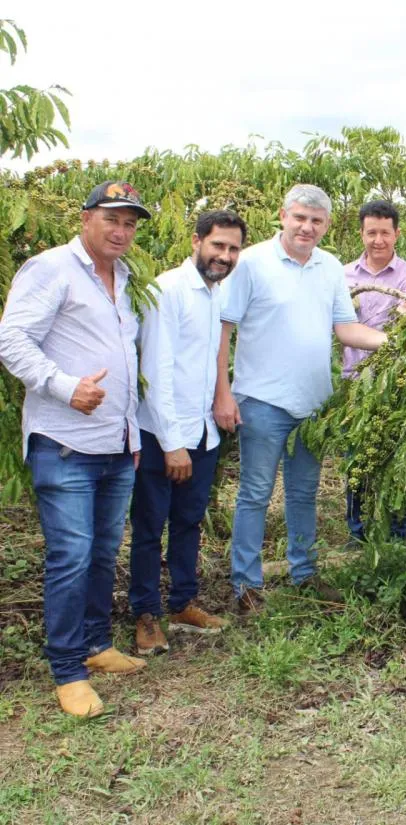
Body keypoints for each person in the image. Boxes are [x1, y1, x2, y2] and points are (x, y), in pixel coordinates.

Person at [0, 181, 151, 717]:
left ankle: (95, 645)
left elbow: (125, 359)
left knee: (103, 552)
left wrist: (131, 433)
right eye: (112, 219)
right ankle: (66, 669)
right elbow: (12, 340)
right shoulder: (50, 269)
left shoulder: (126, 277)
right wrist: (66, 386)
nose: (121, 231)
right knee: (71, 556)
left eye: (130, 223)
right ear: (85, 218)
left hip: (117, 444)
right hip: (65, 443)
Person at [214, 184, 387, 613]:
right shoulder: (251, 262)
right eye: (300, 218)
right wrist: (222, 393)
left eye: (316, 221)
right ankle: (246, 586)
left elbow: (346, 330)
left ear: (327, 225)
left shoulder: (330, 268)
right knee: (254, 493)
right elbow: (223, 330)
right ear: (283, 216)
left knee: (303, 492)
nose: (307, 227)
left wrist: (400, 343)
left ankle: (303, 572)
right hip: (261, 400)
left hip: (313, 403)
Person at [129, 210, 247, 656]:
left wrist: (220, 401)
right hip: (164, 432)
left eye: (233, 248)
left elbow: (211, 358)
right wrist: (171, 442)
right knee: (148, 525)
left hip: (201, 432)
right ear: (197, 241)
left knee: (188, 521)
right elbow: (155, 369)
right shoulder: (169, 289)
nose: (225, 255)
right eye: (218, 245)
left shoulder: (216, 293)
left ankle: (182, 602)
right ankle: (145, 613)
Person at [343, 200, 406, 546]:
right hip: (354, 383)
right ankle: (357, 535)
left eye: (385, 232)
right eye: (371, 232)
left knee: (397, 459)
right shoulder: (343, 276)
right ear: (362, 233)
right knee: (358, 461)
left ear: (396, 234)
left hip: (397, 384)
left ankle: (397, 535)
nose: (378, 240)